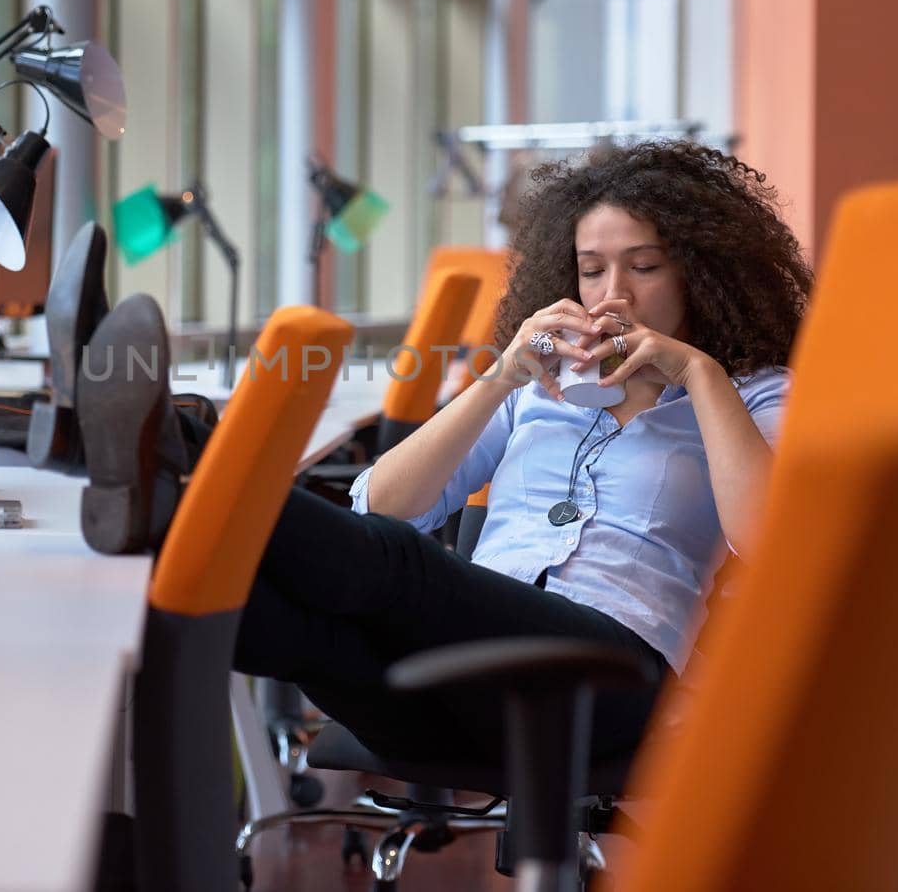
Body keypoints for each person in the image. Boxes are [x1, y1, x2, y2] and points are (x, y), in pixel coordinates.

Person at [72, 140, 812, 765]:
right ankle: (158, 501)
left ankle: (180, 451)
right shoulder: (539, 388)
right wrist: (501, 378)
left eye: (643, 267)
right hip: (463, 681)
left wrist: (699, 373)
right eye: (591, 269)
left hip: (612, 680)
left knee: (400, 566)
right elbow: (382, 504)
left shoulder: (748, 394)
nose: (611, 294)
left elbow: (773, 539)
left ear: (700, 272)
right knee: (274, 624)